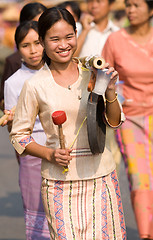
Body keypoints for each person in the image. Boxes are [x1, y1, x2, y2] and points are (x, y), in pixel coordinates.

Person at [9, 7, 126, 239]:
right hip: (58, 185)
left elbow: (113, 122)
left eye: (69, 36)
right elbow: (19, 135)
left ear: (76, 33)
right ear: (42, 41)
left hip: (101, 179)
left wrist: (110, 91)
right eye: (54, 39)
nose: (63, 44)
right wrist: (49, 154)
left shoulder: (92, 75)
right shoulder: (35, 85)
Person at [102, 0, 153, 239]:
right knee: (139, 176)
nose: (130, 10)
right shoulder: (116, 41)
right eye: (127, 5)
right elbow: (102, 79)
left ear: (151, 10)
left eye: (136, 5)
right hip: (131, 118)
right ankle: (145, 234)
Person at [3, 20, 50, 239]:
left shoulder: (59, 73)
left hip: (65, 152)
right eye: (25, 45)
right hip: (32, 155)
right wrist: (13, 119)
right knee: (38, 218)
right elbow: (16, 132)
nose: (33, 50)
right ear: (18, 49)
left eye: (38, 42)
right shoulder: (13, 82)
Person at [0, 2, 47, 111]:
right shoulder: (13, 66)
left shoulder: (55, 62)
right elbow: (5, 97)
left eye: (43, 24)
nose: (33, 50)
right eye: (35, 23)